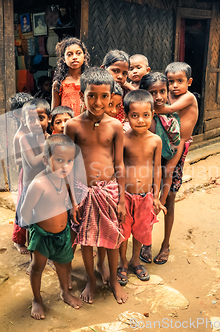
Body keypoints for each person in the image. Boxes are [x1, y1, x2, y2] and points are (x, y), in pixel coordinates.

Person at [65, 67, 128, 304]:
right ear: (82, 95)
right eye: (91, 95)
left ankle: (112, 281)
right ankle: (91, 279)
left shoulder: (115, 126)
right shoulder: (72, 126)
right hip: (82, 192)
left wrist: (121, 200)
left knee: (113, 237)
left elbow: (119, 164)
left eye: (104, 96)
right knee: (86, 239)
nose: (97, 102)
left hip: (109, 191)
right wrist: (72, 201)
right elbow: (68, 166)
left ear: (112, 97)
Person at [140, 63, 198, 265]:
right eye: (170, 82)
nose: (174, 86)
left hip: (178, 147)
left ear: (189, 82)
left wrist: (140, 95)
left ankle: (165, 244)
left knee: (168, 199)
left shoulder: (186, 98)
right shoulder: (164, 97)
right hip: (159, 151)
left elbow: (166, 109)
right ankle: (146, 241)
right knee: (148, 198)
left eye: (179, 81)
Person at [20, 134, 82, 320]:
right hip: (42, 234)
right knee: (37, 267)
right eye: (60, 160)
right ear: (46, 159)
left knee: (63, 265)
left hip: (62, 233)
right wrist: (34, 231)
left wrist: (73, 205)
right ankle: (37, 299)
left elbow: (70, 188)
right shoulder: (39, 184)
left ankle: (65, 292)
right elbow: (24, 211)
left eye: (70, 161)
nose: (66, 165)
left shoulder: (64, 175)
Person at [117, 90, 165, 286]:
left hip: (146, 197)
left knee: (141, 231)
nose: (140, 120)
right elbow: (118, 169)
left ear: (152, 114)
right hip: (126, 196)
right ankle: (122, 263)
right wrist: (119, 199)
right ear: (126, 116)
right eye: (134, 116)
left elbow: (157, 170)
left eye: (146, 115)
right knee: (123, 231)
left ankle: (135, 260)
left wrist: (156, 197)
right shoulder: (123, 139)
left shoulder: (155, 140)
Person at [16, 99, 50, 236]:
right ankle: (33, 257)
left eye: (41, 118)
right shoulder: (24, 139)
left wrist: (45, 143)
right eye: (31, 119)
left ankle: (46, 255)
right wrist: (46, 146)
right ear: (24, 120)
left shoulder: (52, 139)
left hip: (47, 191)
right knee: (32, 228)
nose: (36, 123)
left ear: (49, 118)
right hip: (30, 190)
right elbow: (34, 162)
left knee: (46, 224)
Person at [10, 92, 34, 254]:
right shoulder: (19, 136)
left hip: (37, 173)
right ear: (18, 115)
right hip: (25, 175)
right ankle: (18, 240)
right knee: (23, 206)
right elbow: (17, 161)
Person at [52, 37, 90, 116]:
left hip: (86, 124)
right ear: (64, 59)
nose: (74, 57)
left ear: (84, 56)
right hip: (66, 125)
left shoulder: (90, 81)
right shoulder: (59, 84)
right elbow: (54, 112)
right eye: (69, 54)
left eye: (78, 53)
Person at [101, 50, 133, 123]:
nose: (120, 76)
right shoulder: (96, 89)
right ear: (103, 69)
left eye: (124, 73)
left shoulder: (126, 94)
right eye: (115, 71)